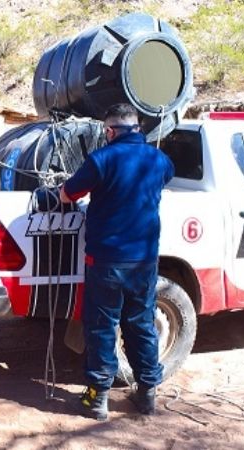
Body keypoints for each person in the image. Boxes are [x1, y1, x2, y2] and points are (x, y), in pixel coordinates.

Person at [59, 103, 174, 419]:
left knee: (102, 328)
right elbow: (165, 178)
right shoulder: (159, 159)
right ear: (137, 128)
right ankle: (147, 394)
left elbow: (68, 195)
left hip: (106, 261)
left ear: (110, 131)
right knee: (141, 325)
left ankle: (98, 400)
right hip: (144, 262)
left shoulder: (101, 159)